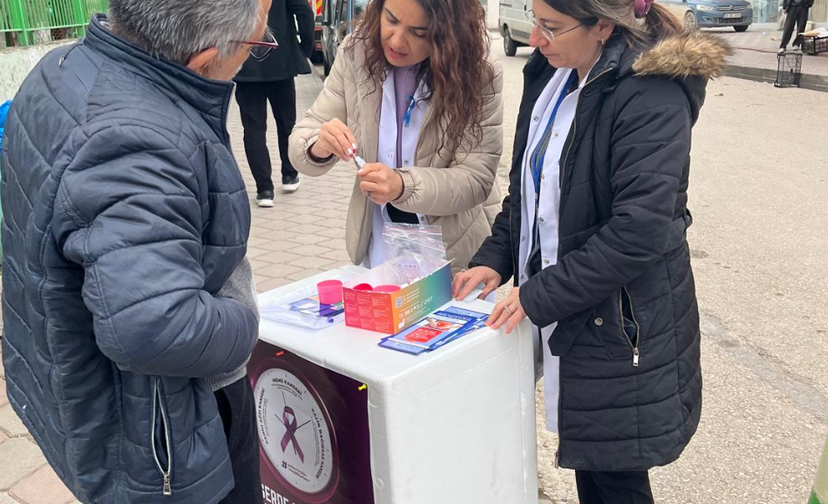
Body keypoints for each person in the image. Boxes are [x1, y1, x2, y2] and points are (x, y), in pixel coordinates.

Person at [453, 0, 730, 502]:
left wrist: (538, 294)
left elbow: (639, 231)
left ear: (604, 24)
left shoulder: (650, 92)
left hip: (621, 320)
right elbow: (529, 190)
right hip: (577, 307)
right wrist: (495, 258)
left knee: (615, 472)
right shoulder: (554, 75)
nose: (535, 39)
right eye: (535, 22)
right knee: (590, 458)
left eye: (552, 28)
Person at [0, 0, 273, 502]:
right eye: (258, 43)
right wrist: (246, 321)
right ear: (206, 55)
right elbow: (155, 328)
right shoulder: (143, 140)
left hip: (75, 382)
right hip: (167, 417)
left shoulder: (63, 67)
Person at [289, 0, 503, 274]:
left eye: (419, 32)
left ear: (449, 33)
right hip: (380, 244)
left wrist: (402, 186)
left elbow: (476, 179)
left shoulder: (478, 72)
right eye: (390, 20)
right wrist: (318, 145)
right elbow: (302, 140)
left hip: (455, 253)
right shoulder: (357, 52)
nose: (397, 41)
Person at [235, 0, 315, 208]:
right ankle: (290, 175)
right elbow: (304, 12)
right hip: (281, 61)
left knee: (253, 129)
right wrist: (303, 50)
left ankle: (264, 189)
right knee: (287, 123)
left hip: (246, 63)